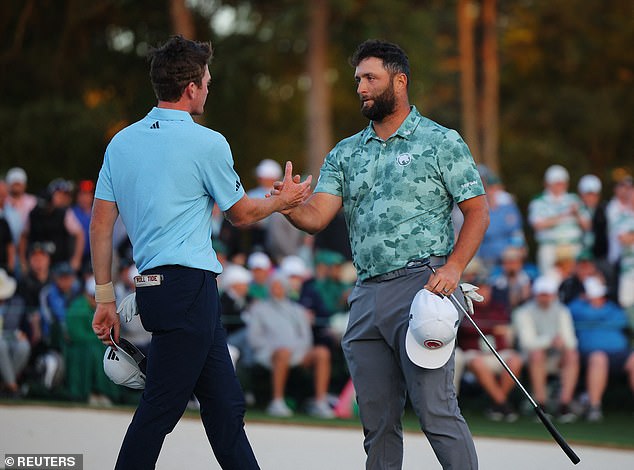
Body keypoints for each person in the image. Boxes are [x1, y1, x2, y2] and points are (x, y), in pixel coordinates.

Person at [89, 35, 311, 470]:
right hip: (189, 287)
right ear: (191, 87)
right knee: (160, 410)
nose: (209, 88)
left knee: (226, 409)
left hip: (158, 287)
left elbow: (101, 224)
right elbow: (242, 214)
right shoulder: (207, 142)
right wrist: (283, 202)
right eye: (207, 81)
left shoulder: (122, 142)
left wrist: (104, 298)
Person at [276, 40, 487, 469]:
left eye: (370, 78)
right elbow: (317, 216)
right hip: (366, 294)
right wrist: (290, 205)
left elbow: (478, 211)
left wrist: (454, 267)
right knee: (378, 423)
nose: (361, 88)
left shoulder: (440, 141)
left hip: (423, 286)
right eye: (358, 80)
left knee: (436, 412)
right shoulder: (345, 152)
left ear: (400, 80)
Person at [246, 272, 334, 419]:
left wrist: (295, 352)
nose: (277, 289)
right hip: (269, 353)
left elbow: (306, 337)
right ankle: (277, 401)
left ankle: (320, 403)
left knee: (322, 353)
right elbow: (254, 338)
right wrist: (278, 349)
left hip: (297, 353)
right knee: (283, 353)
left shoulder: (297, 310)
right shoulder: (259, 309)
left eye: (280, 286)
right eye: (274, 286)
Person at [457, 261, 523, 422]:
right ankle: (502, 404)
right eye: (480, 288)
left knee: (515, 360)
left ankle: (496, 404)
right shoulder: (465, 306)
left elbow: (504, 328)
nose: (484, 292)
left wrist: (492, 328)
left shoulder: (498, 307)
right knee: (478, 362)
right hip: (474, 354)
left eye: (486, 288)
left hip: (497, 352)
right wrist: (492, 329)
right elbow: (467, 329)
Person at [512, 276, 579, 422]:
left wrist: (559, 343)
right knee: (537, 355)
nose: (546, 298)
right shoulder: (524, 312)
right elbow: (527, 343)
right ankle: (541, 404)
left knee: (572, 355)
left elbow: (571, 342)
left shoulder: (562, 311)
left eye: (548, 294)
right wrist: (550, 340)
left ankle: (564, 404)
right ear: (536, 294)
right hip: (530, 357)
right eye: (542, 294)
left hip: (555, 356)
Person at [568, 276, 634, 421]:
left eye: (601, 295)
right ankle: (594, 407)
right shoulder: (576, 307)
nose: (601, 299)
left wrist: (597, 313)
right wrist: (596, 312)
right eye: (596, 296)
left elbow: (622, 318)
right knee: (599, 359)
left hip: (620, 353)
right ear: (584, 295)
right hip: (591, 354)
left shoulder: (612, 307)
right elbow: (583, 313)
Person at [528, 164, 591, 275]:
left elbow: (587, 225)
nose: (560, 186)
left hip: (573, 246)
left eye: (562, 183)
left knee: (573, 281)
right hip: (550, 247)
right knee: (551, 281)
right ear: (548, 183)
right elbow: (537, 224)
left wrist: (577, 214)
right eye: (557, 183)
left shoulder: (574, 199)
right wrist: (563, 216)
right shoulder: (539, 201)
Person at [0, 269, 30, 398]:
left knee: (24, 346)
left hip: (11, 336)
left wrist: (23, 333)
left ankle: (5, 384)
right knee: (0, 345)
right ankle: (12, 386)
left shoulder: (17, 302)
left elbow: (23, 325)